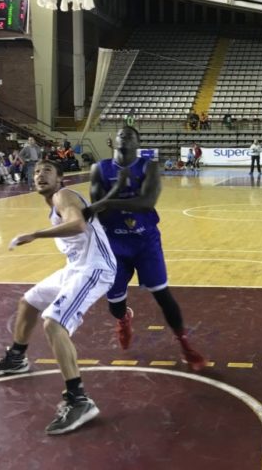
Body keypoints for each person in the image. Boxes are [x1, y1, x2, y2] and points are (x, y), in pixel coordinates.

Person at [0, 161, 117, 435]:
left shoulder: (62, 196)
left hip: (95, 269)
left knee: (54, 323)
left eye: (47, 171)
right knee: (29, 301)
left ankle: (79, 400)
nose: (40, 175)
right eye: (36, 172)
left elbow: (77, 224)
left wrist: (35, 235)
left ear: (60, 178)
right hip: (75, 268)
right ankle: (16, 358)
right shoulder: (54, 204)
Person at [88, 126, 207, 369]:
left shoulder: (148, 166)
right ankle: (124, 319)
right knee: (115, 303)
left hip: (145, 242)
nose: (124, 137)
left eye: (130, 135)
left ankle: (185, 344)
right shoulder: (99, 169)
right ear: (113, 141)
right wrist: (118, 190)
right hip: (114, 244)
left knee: (163, 294)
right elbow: (97, 212)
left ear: (138, 143)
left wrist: (110, 200)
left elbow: (147, 203)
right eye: (121, 134)